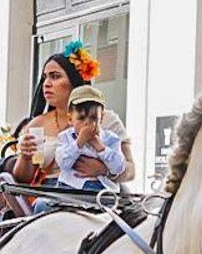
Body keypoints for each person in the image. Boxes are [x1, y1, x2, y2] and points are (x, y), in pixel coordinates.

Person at [11, 41, 133, 215]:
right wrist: (24, 157)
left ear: (75, 81)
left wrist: (104, 170)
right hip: (53, 199)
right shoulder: (36, 125)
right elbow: (23, 180)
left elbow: (130, 170)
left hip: (99, 196)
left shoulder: (107, 121)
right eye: (45, 77)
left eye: (55, 76)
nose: (46, 83)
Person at [54, 85, 125, 194]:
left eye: (93, 118)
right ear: (70, 119)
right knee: (41, 205)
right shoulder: (65, 137)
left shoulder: (111, 139)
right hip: (69, 187)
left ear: (101, 118)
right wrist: (79, 143)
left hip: (101, 189)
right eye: (81, 118)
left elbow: (118, 168)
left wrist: (101, 147)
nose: (87, 123)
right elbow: (63, 163)